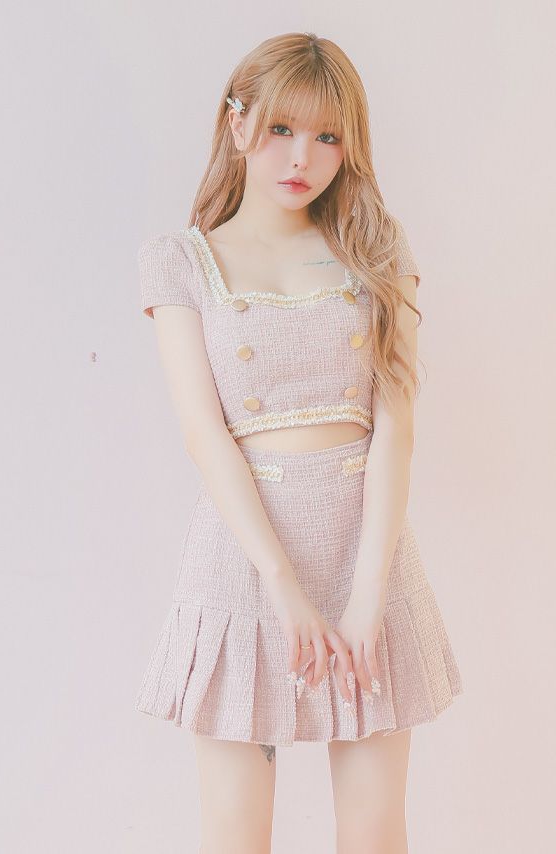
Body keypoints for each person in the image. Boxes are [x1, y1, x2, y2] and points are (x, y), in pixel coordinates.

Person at [135, 31, 462, 854]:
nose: (301, 157)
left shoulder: (377, 248)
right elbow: (204, 434)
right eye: (281, 127)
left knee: (375, 829)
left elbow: (396, 426)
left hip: (367, 555)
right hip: (242, 565)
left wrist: (368, 593)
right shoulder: (181, 261)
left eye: (327, 136)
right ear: (237, 123)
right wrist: (281, 584)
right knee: (236, 834)